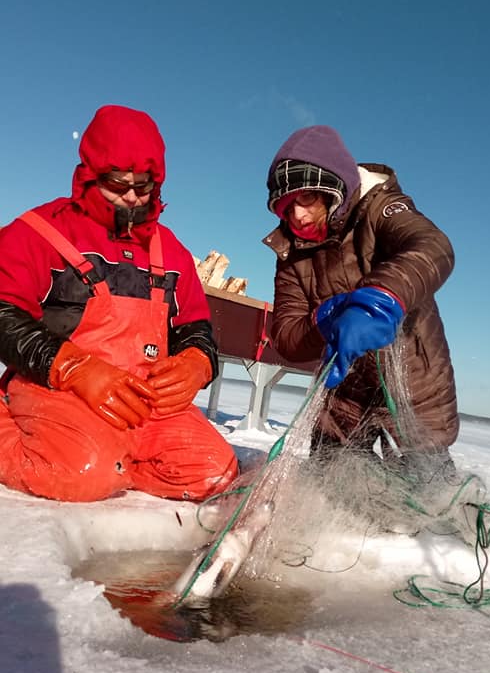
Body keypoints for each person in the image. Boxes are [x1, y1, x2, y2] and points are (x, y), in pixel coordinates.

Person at [0, 104, 238, 503]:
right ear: (90, 176)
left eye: (142, 186)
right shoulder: (37, 232)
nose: (131, 197)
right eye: (117, 183)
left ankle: (118, 463)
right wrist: (74, 368)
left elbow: (195, 326)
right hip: (56, 392)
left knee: (214, 474)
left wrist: (197, 362)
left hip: (143, 406)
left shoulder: (172, 251)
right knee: (81, 474)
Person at [263, 125, 459, 462]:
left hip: (413, 388)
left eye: (307, 197)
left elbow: (433, 247)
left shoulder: (381, 208)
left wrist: (381, 298)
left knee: (425, 491)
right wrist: (324, 320)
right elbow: (285, 336)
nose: (297, 214)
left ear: (333, 188)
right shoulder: (291, 253)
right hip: (344, 396)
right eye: (286, 205)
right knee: (329, 488)